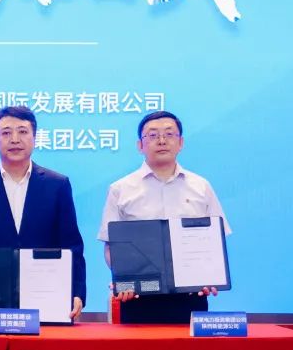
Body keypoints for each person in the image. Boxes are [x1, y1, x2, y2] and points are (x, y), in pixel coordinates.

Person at [0, 106, 86, 322]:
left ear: (34, 138)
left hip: (46, 299)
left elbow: (72, 244)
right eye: (6, 133)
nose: (15, 139)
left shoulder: (57, 185)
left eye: (22, 131)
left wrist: (77, 292)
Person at [98, 110, 231, 324]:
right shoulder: (120, 189)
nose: (161, 141)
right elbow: (110, 247)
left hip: (191, 297)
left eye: (169, 134)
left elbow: (216, 240)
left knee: (190, 347)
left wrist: (211, 275)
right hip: (138, 299)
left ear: (181, 143)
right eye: (152, 135)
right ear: (140, 145)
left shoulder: (201, 186)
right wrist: (124, 279)